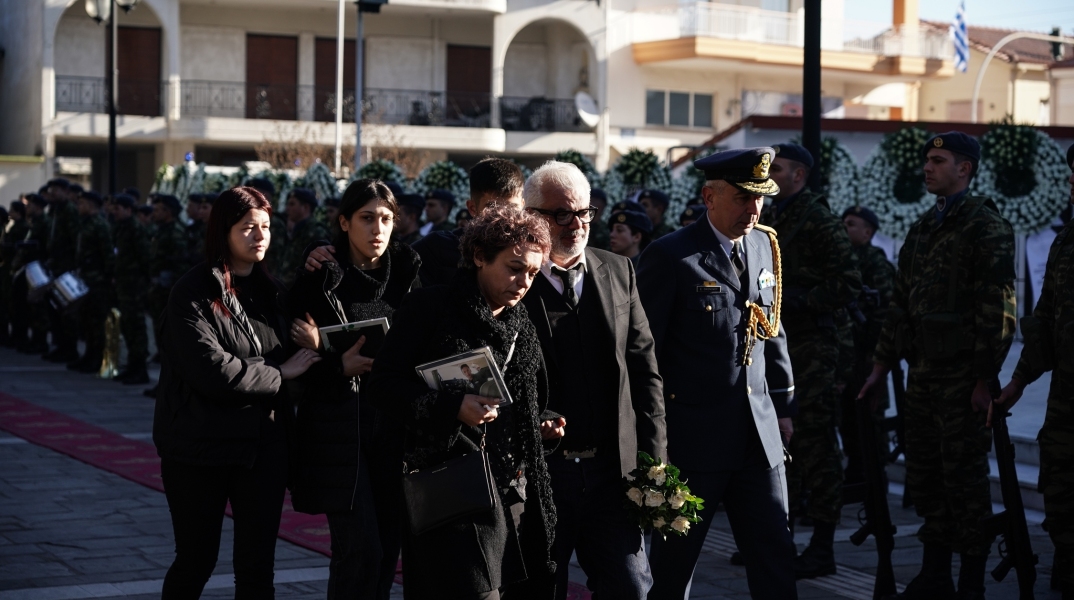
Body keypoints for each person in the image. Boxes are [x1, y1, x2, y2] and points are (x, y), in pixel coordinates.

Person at [365, 204, 563, 599]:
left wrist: (546, 423)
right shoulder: (432, 307)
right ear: (478, 257)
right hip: (449, 490)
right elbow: (383, 385)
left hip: (511, 492)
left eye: (533, 273)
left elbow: (532, 400)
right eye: (514, 267)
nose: (523, 281)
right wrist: (451, 407)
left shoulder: (523, 323)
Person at [859, 132, 1016, 600]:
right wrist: (881, 365)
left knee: (965, 480)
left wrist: (985, 381)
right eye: (928, 159)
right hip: (923, 376)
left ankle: (970, 582)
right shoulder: (924, 227)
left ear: (964, 168)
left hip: (963, 379)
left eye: (938, 160)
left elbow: (998, 310)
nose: (927, 168)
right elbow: (900, 303)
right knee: (927, 475)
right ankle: (935, 574)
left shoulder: (985, 226)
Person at [638, 147, 798, 599]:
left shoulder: (765, 245)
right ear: (709, 196)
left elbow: (772, 327)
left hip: (757, 439)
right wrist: (652, 438)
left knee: (775, 559)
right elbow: (645, 353)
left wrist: (783, 406)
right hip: (694, 443)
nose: (753, 210)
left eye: (759, 199)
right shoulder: (671, 255)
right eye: (742, 199)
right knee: (672, 570)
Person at [152, 186, 321, 597]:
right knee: (197, 559)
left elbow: (308, 357)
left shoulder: (273, 293)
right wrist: (280, 373)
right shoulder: (192, 293)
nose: (259, 235)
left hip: (262, 448)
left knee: (257, 565)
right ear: (223, 231)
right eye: (247, 227)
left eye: (265, 226)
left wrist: (316, 345)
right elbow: (214, 371)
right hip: (199, 448)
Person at [519, 160, 666, 600]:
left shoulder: (619, 270)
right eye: (561, 214)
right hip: (544, 475)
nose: (576, 224)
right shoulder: (513, 280)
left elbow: (645, 372)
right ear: (533, 217)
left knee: (630, 587)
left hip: (611, 474)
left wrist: (654, 463)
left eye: (584, 212)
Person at [288, 179, 420, 599]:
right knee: (359, 550)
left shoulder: (408, 272)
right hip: (338, 432)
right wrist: (333, 362)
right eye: (366, 219)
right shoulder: (320, 275)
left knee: (385, 551)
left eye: (386, 219)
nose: (377, 229)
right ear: (344, 222)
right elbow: (288, 361)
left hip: (393, 431)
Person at [759, 142, 861, 579]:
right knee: (783, 449)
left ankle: (822, 547)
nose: (771, 175)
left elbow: (848, 283)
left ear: (798, 175)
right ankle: (779, 542)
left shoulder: (819, 219)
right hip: (781, 349)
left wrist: (797, 300)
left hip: (814, 353)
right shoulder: (774, 216)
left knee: (816, 450)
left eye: (777, 169)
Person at [995, 143, 1074, 596]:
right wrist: (1019, 380)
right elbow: (1044, 318)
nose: (1071, 188)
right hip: (1066, 403)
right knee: (1061, 497)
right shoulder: (1066, 241)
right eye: (1071, 180)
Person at [838, 206, 896, 485]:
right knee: (847, 417)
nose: (844, 227)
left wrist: (877, 356)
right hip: (846, 354)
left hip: (869, 355)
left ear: (868, 232)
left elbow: (885, 312)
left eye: (851, 224)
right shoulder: (842, 259)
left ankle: (877, 474)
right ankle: (856, 471)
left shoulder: (875, 262)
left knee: (872, 419)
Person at [413, 159, 525, 287]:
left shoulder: (533, 253)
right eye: (493, 208)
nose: (504, 216)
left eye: (512, 208)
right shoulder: (437, 249)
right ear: (472, 208)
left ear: (522, 206)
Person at [67, 190, 114, 374]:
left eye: (82, 203)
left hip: (97, 281)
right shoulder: (85, 223)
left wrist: (106, 277)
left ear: (91, 205)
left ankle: (97, 358)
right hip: (85, 278)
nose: (79, 207)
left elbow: (107, 254)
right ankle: (88, 355)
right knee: (86, 319)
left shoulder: (99, 224)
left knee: (96, 321)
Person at [112, 193, 153, 384]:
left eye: (118, 208)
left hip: (135, 286)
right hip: (124, 285)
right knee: (128, 326)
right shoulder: (122, 228)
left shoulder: (136, 229)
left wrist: (142, 282)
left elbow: (145, 258)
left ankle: (140, 368)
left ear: (129, 210)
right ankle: (132, 365)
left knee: (136, 327)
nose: (115, 212)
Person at [42, 178, 82, 363]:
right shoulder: (55, 211)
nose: (52, 193)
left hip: (66, 267)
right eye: (51, 190)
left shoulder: (70, 211)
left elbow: (75, 240)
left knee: (67, 312)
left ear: (66, 192)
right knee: (55, 310)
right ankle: (61, 346)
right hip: (55, 265)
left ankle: (70, 348)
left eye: (56, 190)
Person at [12, 194, 50, 354]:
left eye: (30, 205)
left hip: (39, 268)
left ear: (38, 207)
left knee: (39, 308)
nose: (27, 208)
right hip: (30, 268)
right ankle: (34, 339)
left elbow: (46, 246)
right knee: (30, 307)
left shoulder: (45, 223)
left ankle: (40, 341)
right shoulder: (34, 223)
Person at [275, 188, 329, 288]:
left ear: (305, 207)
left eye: (292, 204)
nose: (287, 208)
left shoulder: (316, 232)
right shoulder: (297, 229)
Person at [0, 201, 29, 347]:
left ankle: (17, 336)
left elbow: (18, 247)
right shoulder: (13, 227)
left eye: (13, 210)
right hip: (9, 268)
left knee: (14, 304)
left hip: (15, 268)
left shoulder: (22, 227)